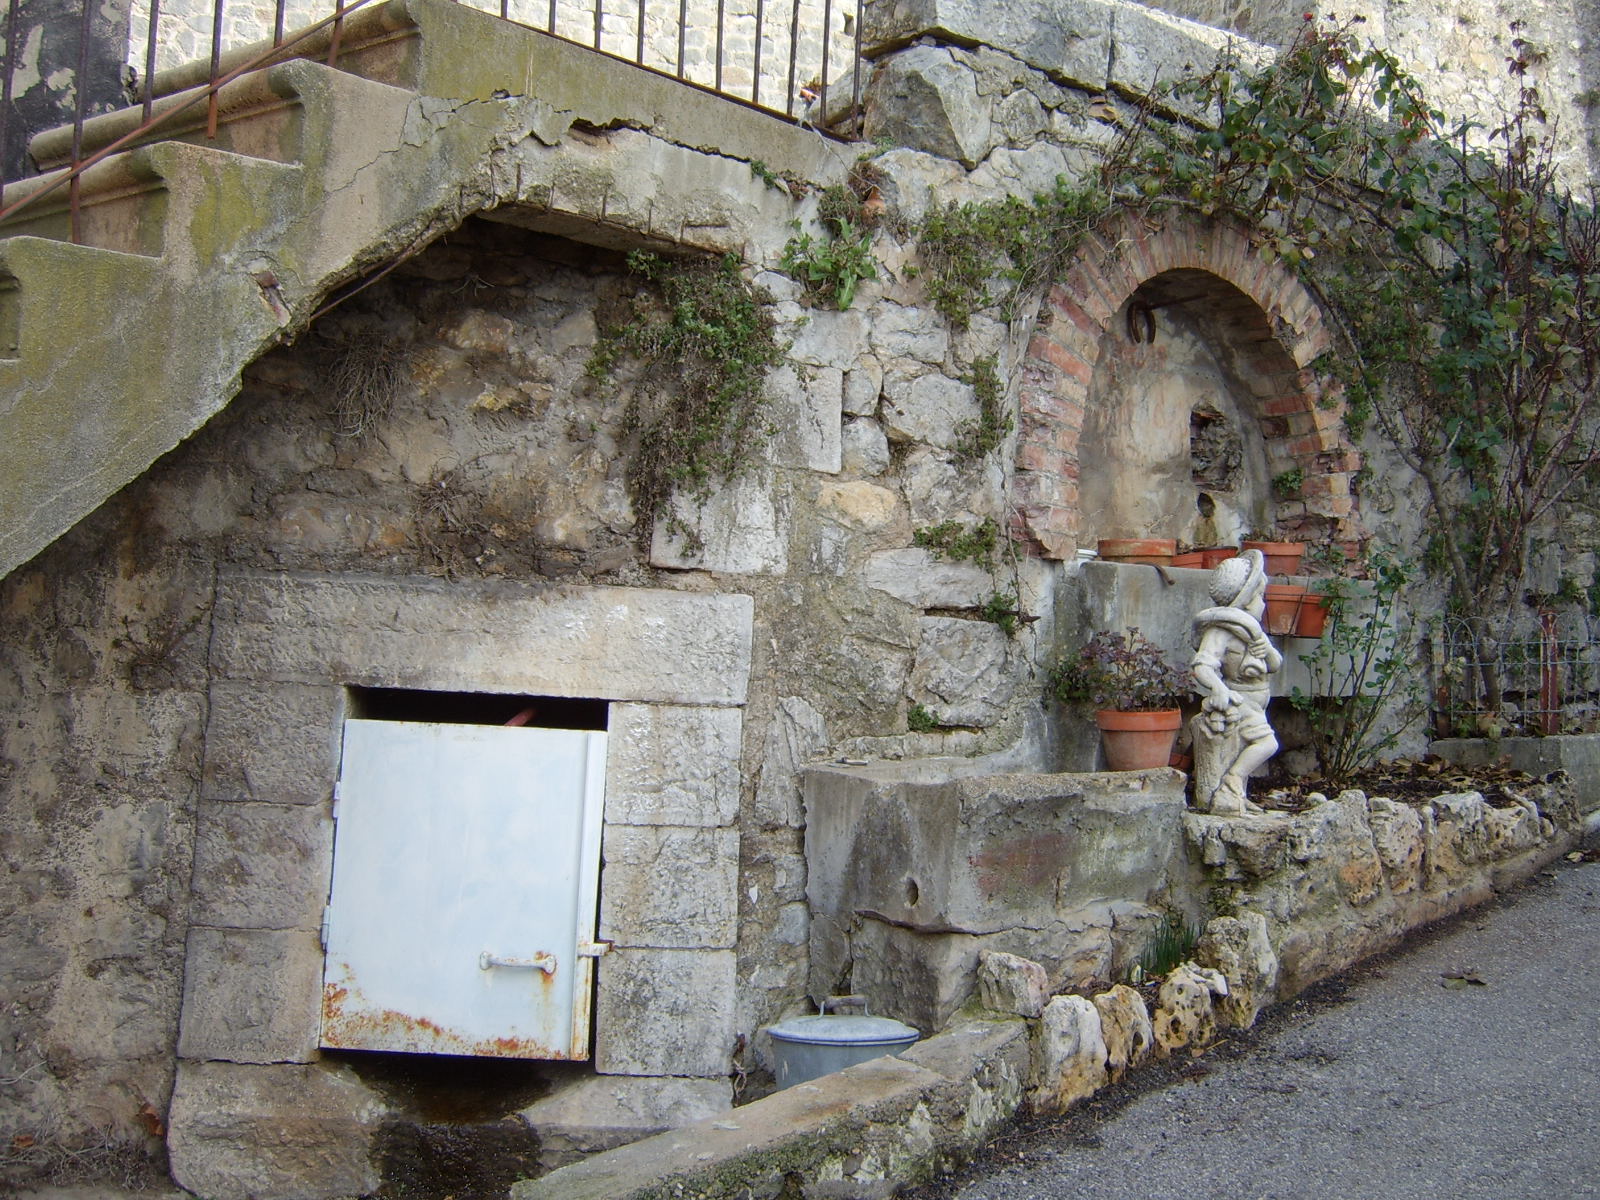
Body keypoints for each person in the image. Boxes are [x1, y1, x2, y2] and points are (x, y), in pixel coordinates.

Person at [1190, 549, 1281, 815]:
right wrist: (1219, 689)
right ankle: (1231, 782)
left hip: (1257, 699)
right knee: (1267, 744)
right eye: (1260, 598)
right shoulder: (1221, 631)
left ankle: (1237, 794)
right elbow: (1203, 666)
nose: (1263, 604)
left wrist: (1265, 648)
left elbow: (1274, 665)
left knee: (1239, 749)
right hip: (1240, 700)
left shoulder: (1253, 632)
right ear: (1246, 601)